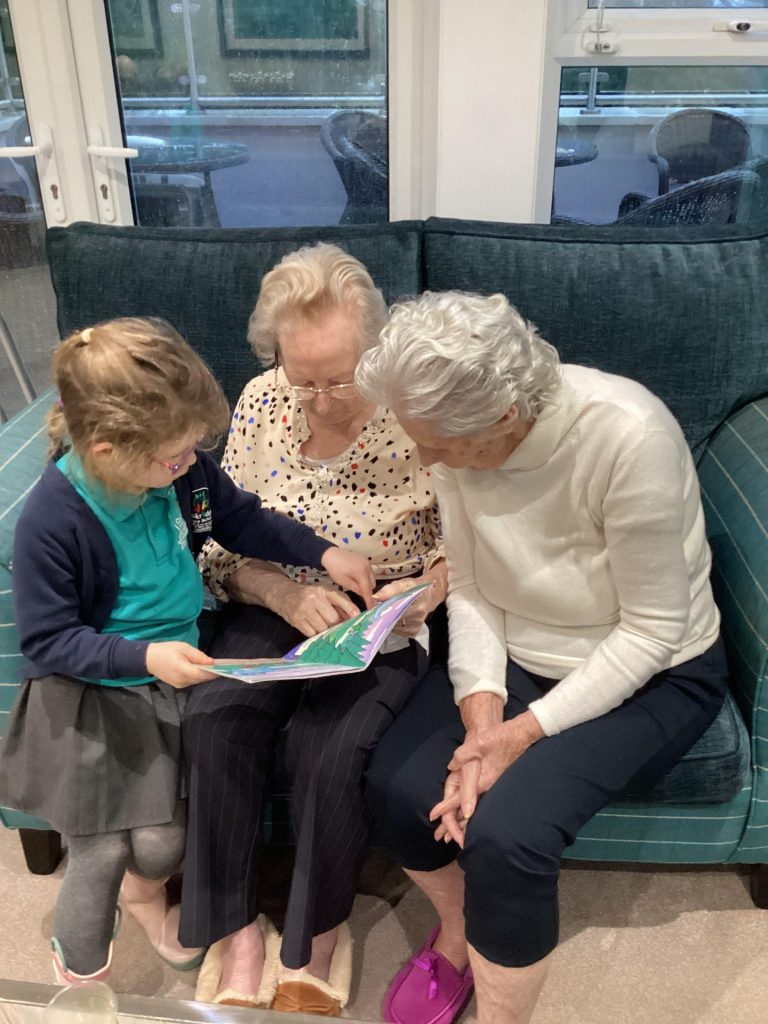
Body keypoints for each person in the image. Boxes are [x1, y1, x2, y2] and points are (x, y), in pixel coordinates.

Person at [354, 291, 728, 1024]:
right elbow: (471, 586)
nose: (425, 459)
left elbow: (653, 630)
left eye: (438, 444)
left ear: (504, 417)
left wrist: (519, 736)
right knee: (394, 789)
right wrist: (480, 723)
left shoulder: (628, 437)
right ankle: (460, 929)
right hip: (521, 649)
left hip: (655, 671)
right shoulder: (454, 442)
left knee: (508, 838)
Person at [0, 317, 372, 987]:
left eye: (194, 447)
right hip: (88, 690)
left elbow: (241, 518)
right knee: (101, 851)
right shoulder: (53, 522)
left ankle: (144, 899)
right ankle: (77, 975)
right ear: (107, 450)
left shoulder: (183, 471)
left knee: (161, 842)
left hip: (164, 676)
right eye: (174, 456)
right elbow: (47, 641)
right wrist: (146, 659)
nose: (190, 462)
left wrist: (322, 552)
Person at [179, 243, 446, 1017]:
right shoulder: (261, 401)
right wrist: (275, 591)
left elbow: (465, 540)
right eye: (305, 379)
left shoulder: (416, 407)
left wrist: (425, 591)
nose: (323, 400)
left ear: (375, 350)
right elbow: (214, 540)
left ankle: (316, 937)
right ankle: (237, 930)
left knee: (328, 751)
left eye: (342, 377)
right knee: (215, 718)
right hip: (271, 600)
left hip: (381, 617)